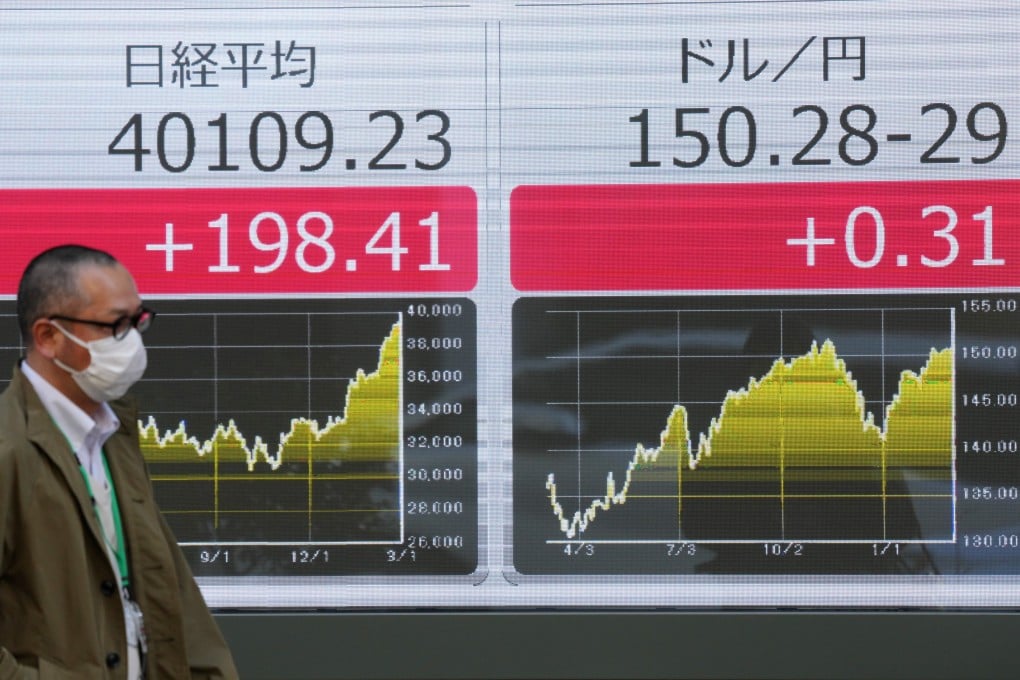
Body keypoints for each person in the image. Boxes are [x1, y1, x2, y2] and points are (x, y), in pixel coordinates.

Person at [0, 245, 238, 678]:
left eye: (138, 320)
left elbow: (169, 595)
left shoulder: (115, 434)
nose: (132, 341)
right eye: (116, 325)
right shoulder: (9, 450)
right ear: (48, 337)